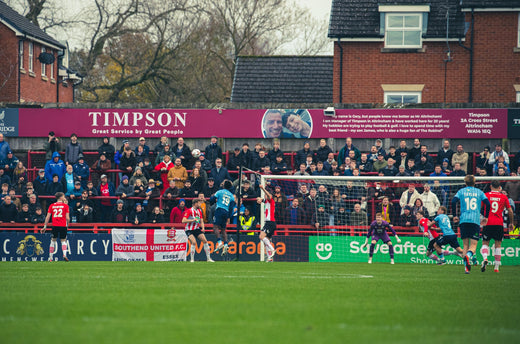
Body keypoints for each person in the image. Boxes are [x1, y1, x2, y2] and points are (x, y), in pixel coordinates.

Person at [452, 175, 491, 274]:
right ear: (474, 182)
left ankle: (466, 268)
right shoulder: (479, 192)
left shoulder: (461, 191)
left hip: (463, 220)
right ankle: (468, 256)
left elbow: (453, 201)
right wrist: (486, 216)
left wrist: (454, 215)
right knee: (473, 246)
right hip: (475, 221)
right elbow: (488, 203)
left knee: (465, 245)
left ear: (465, 183)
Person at [481, 180, 514, 273]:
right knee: (498, 245)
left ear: (491, 186)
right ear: (500, 187)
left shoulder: (486, 195)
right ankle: (496, 268)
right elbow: (510, 211)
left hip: (488, 222)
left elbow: (480, 207)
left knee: (485, 243)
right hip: (499, 223)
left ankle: (485, 258)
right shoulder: (503, 197)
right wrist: (511, 223)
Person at [183, 198, 214, 262]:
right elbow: (183, 220)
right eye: (199, 203)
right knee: (193, 242)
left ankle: (208, 258)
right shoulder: (189, 211)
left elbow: (201, 221)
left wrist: (203, 228)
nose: (200, 204)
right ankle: (192, 259)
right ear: (195, 203)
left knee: (205, 240)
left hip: (196, 228)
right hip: (189, 229)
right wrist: (192, 220)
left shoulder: (199, 211)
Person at [41, 192, 70, 261]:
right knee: (63, 240)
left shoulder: (52, 206)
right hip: (63, 225)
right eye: (63, 196)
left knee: (53, 241)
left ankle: (50, 257)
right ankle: (64, 254)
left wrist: (45, 226)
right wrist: (67, 225)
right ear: (60, 197)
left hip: (55, 225)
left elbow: (47, 217)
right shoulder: (65, 206)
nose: (64, 198)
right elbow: (68, 218)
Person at [210, 180, 236, 255]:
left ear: (224, 185)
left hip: (219, 210)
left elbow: (211, 200)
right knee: (223, 229)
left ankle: (219, 242)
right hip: (226, 212)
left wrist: (213, 197)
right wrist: (228, 217)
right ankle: (225, 244)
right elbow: (231, 207)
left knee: (215, 227)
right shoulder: (231, 195)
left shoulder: (220, 192)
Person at [257, 184, 276, 260]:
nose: (265, 196)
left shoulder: (271, 201)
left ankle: (272, 249)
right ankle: (269, 258)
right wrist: (260, 200)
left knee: (261, 237)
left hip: (270, 222)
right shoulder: (267, 202)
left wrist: (263, 188)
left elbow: (269, 196)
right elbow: (262, 200)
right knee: (266, 241)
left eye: (265, 195)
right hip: (270, 223)